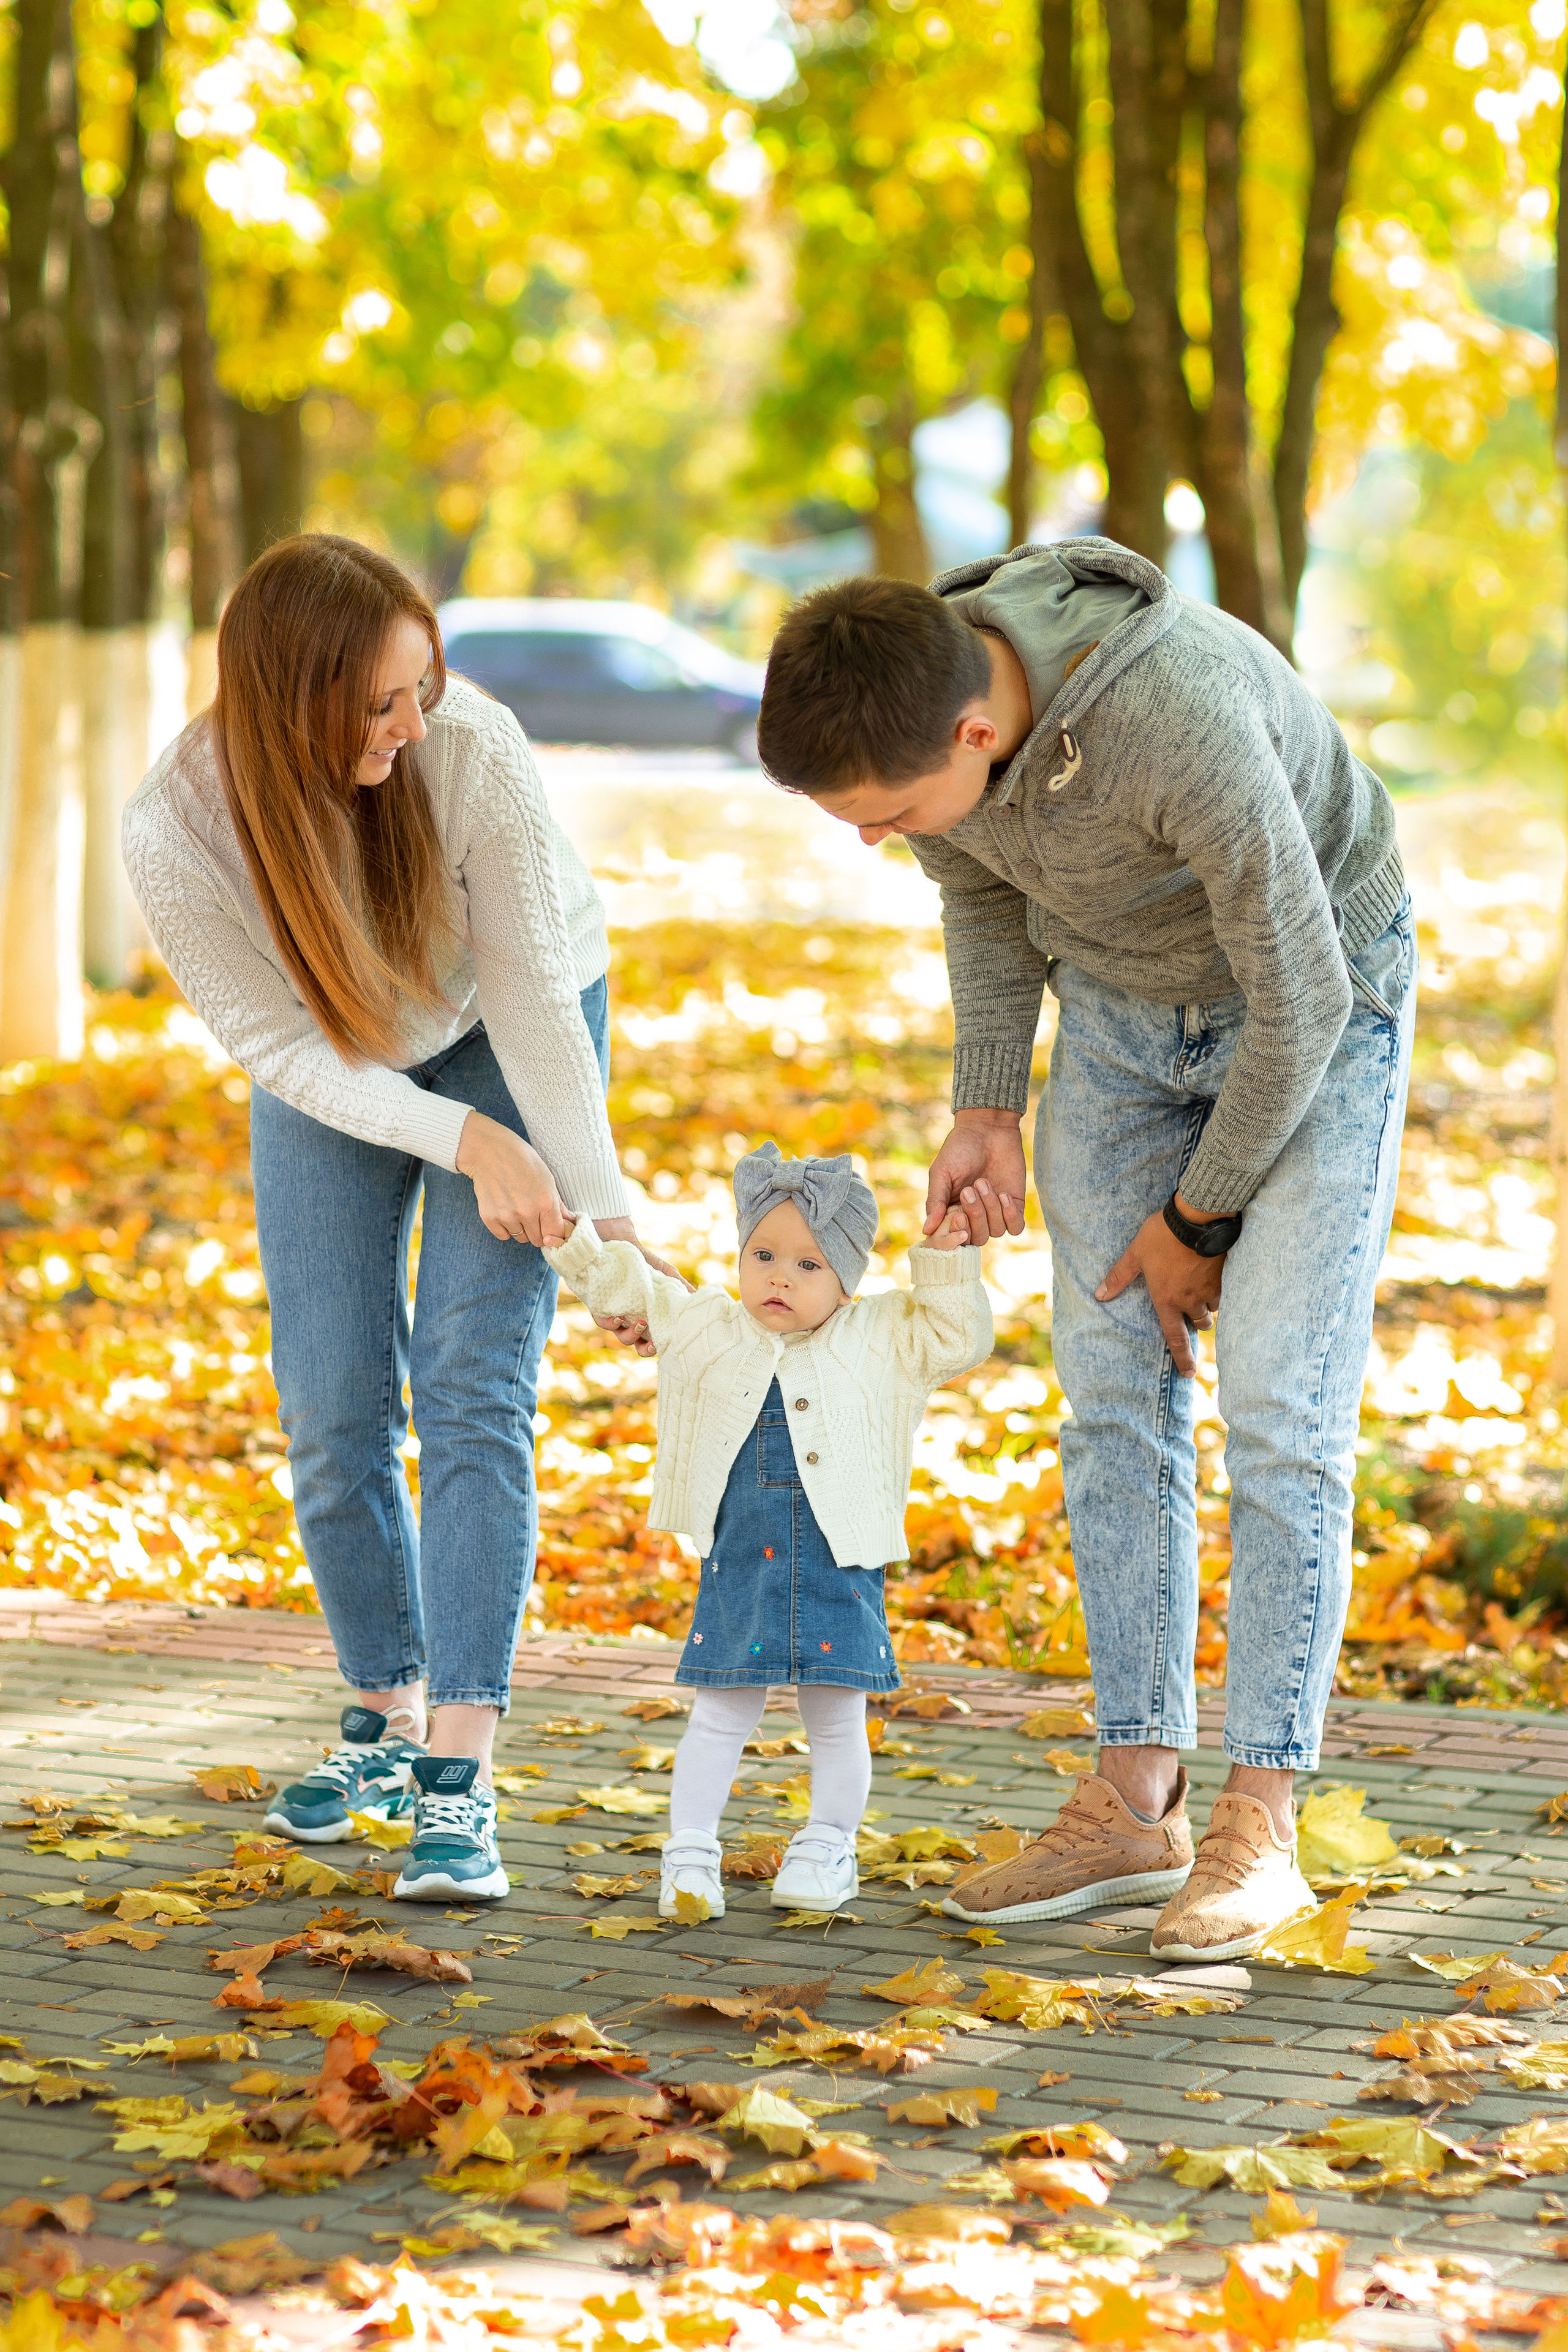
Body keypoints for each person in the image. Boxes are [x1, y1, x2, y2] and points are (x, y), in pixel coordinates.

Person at [755, 537, 1414, 1961]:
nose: (875, 840)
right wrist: (984, 1106)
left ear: (971, 731)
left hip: (1317, 1000)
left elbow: (1299, 994)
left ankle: (1259, 1820)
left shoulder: (1171, 712)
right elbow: (978, 889)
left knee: (1279, 1407)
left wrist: (1195, 1218)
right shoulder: (920, 703)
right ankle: (1134, 1800)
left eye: (887, 815)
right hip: (1118, 1018)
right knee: (1110, 1395)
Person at [124, 533, 667, 1905]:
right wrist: (463, 1143)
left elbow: (534, 994)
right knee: (330, 1403)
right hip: (333, 1058)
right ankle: (384, 1704)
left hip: (507, 1028)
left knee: (473, 1383)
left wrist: (602, 1218)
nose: (413, 724)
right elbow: (281, 1050)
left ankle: (459, 1765)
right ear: (291, 700)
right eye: (380, 702)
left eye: (422, 687)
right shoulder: (176, 828)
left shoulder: (469, 746)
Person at [541, 1141, 992, 1916]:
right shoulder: (708, 1324)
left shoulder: (883, 1336)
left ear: (848, 1282)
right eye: (764, 1255)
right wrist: (574, 1242)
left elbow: (960, 1338)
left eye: (809, 1265)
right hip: (740, 1558)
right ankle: (689, 1851)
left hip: (839, 1563)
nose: (780, 1277)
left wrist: (946, 1261)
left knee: (837, 1716)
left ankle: (827, 1845)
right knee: (720, 1711)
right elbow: (634, 1288)